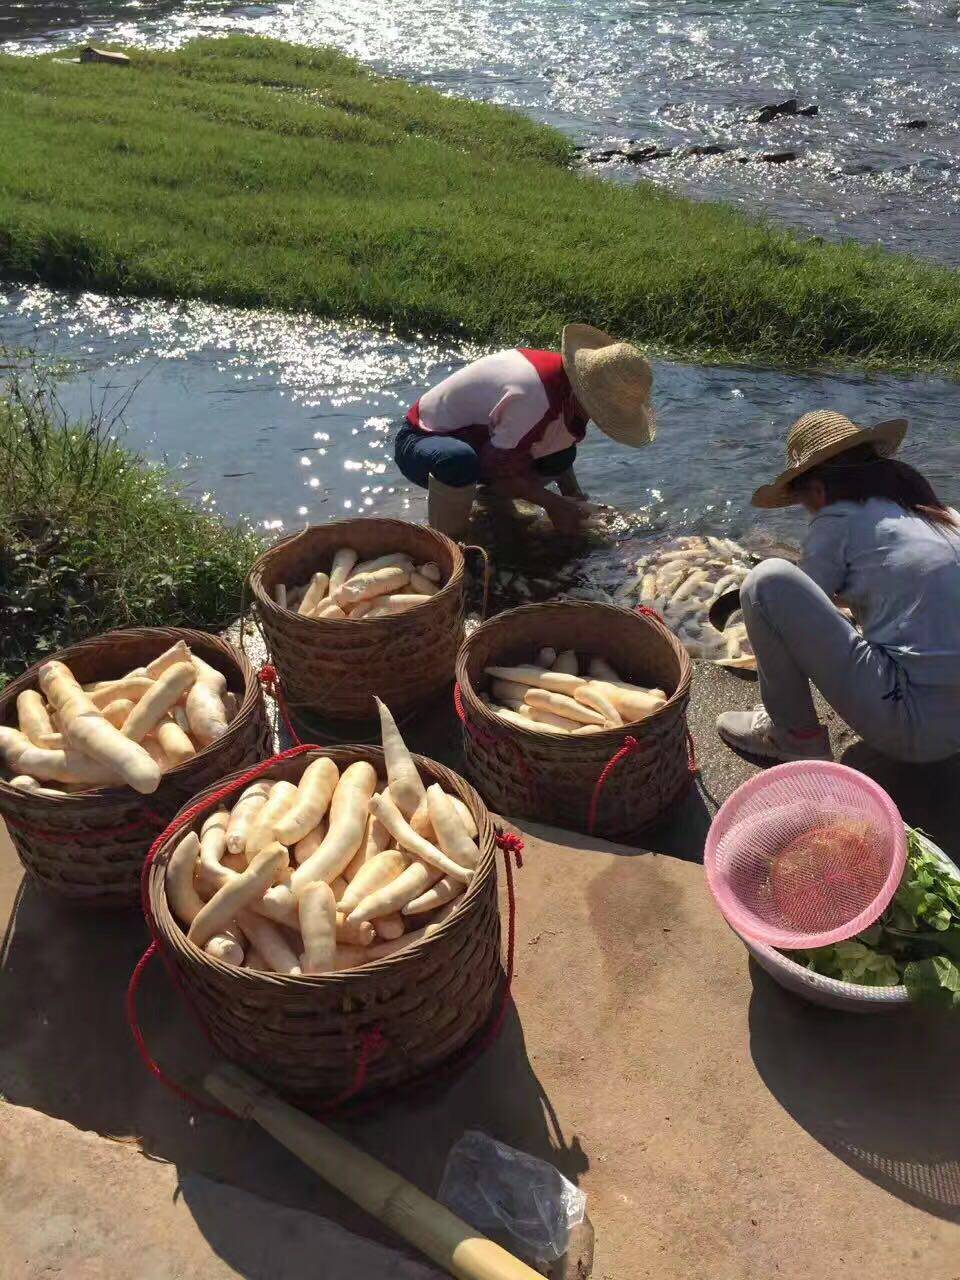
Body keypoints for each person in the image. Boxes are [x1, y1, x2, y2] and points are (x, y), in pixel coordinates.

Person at [717, 409, 960, 765]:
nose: (808, 513)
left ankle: (793, 735)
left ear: (817, 489)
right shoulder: (939, 514)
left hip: (920, 731)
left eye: (803, 502)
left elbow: (793, 613)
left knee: (764, 583)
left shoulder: (837, 519)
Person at [394, 324, 655, 538]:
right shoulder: (533, 396)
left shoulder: (566, 387)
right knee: (459, 462)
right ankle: (450, 543)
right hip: (425, 441)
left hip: (486, 443)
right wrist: (553, 504)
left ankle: (491, 503)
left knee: (560, 458)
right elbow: (496, 465)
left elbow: (556, 442)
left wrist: (575, 498)